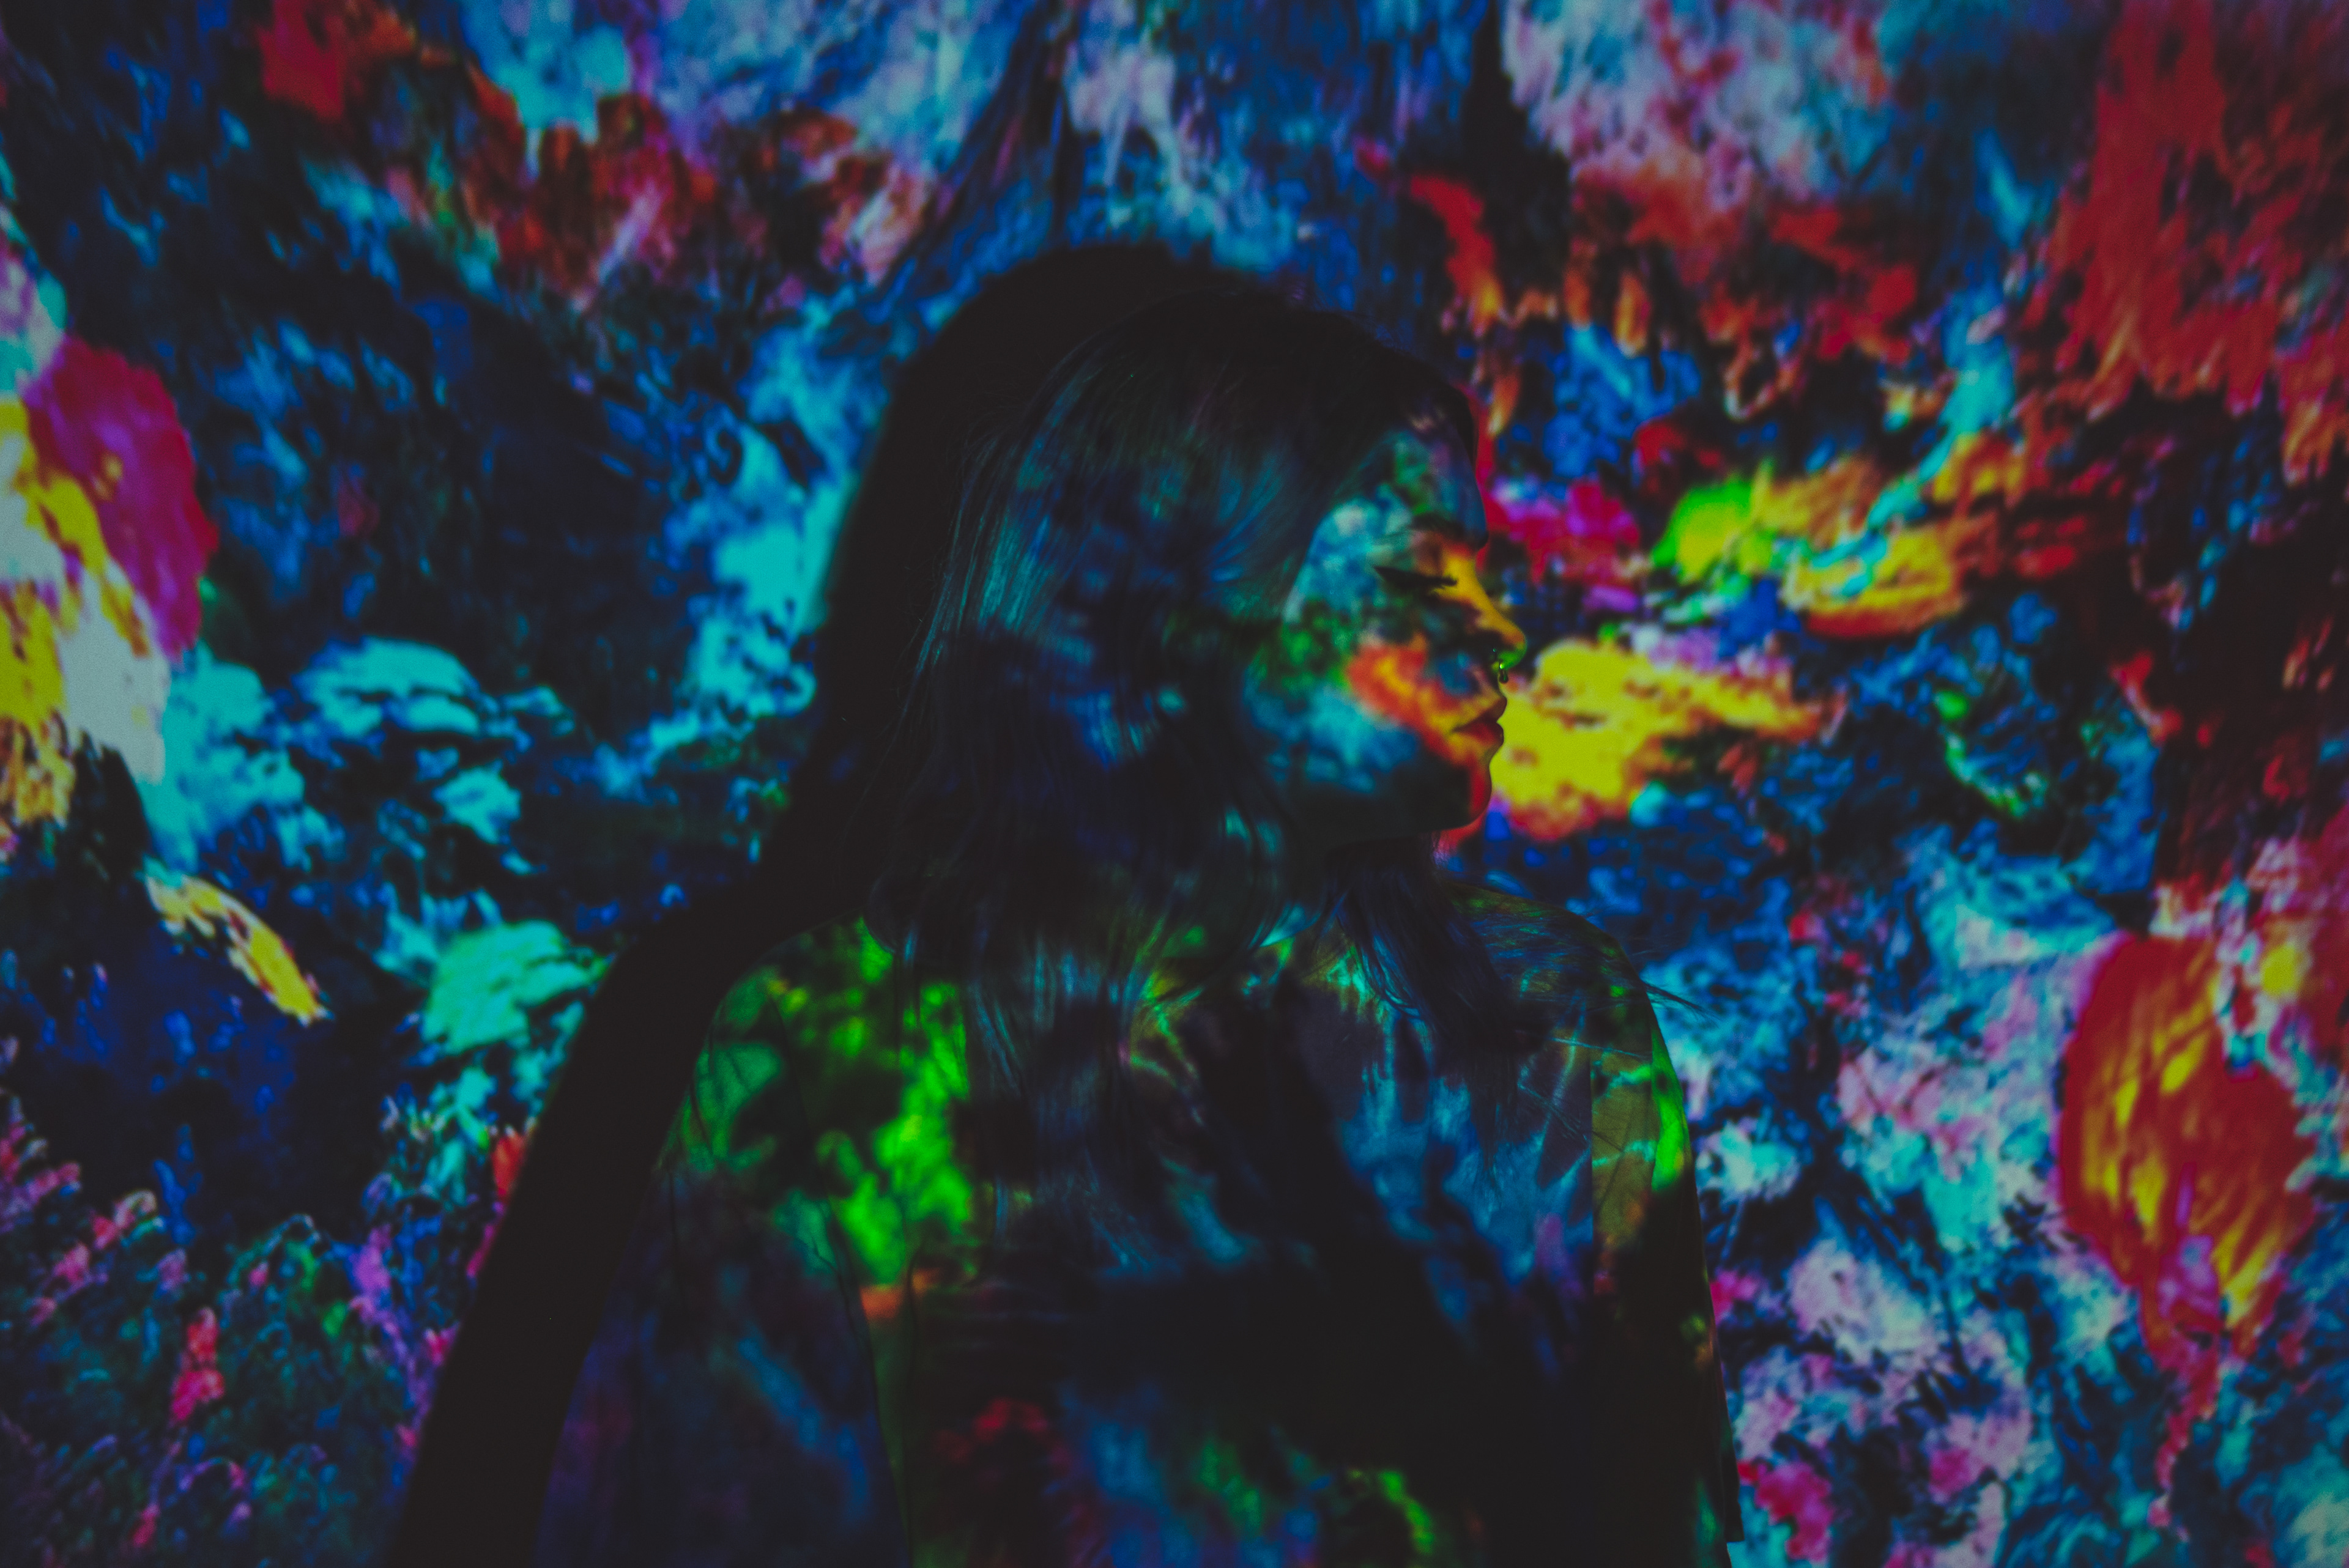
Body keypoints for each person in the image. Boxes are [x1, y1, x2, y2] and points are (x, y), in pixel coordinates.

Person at [841, 287, 1741, 1565]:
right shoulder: (832, 1079)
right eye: (1417, 573)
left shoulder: (1560, 1025)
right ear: (1169, 619)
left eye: (1479, 573)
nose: (1500, 632)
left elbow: (1670, 1535)